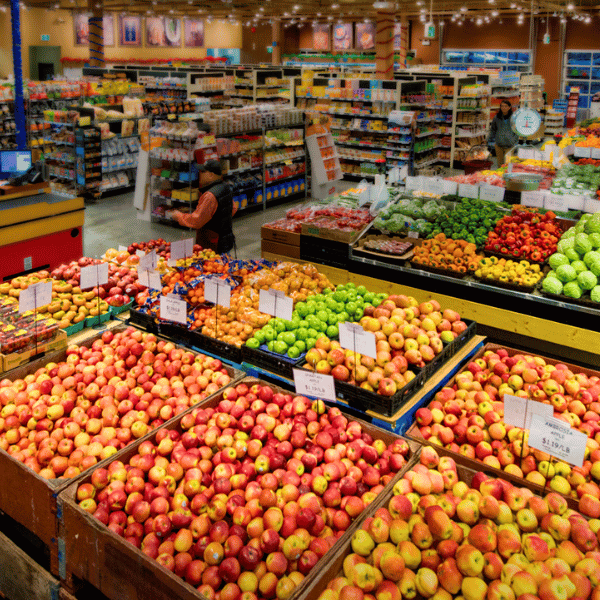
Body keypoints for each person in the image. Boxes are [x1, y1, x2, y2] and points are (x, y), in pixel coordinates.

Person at [171, 159, 237, 254]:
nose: (200, 174)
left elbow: (197, 220)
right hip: (226, 240)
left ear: (211, 175)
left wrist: (179, 216)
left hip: (213, 245)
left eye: (203, 171)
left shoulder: (210, 195)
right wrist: (220, 219)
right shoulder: (225, 187)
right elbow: (233, 208)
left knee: (213, 267)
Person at [490, 100, 518, 166]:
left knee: (508, 164)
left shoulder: (514, 118)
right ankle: (500, 176)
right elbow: (493, 130)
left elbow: (517, 131)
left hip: (510, 145)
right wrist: (488, 140)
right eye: (502, 106)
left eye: (505, 106)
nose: (503, 108)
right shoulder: (496, 117)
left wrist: (514, 140)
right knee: (500, 164)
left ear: (509, 107)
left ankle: (508, 176)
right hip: (499, 144)